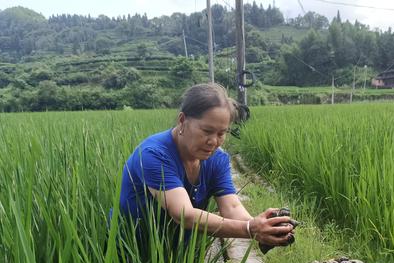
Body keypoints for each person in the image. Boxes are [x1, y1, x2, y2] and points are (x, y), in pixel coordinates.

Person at [119, 83, 294, 249]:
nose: (213, 141)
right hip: (133, 254)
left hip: (179, 251)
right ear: (182, 120)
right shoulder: (154, 154)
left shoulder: (217, 159)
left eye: (221, 133)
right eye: (206, 131)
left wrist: (263, 227)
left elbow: (231, 207)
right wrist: (250, 229)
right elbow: (184, 214)